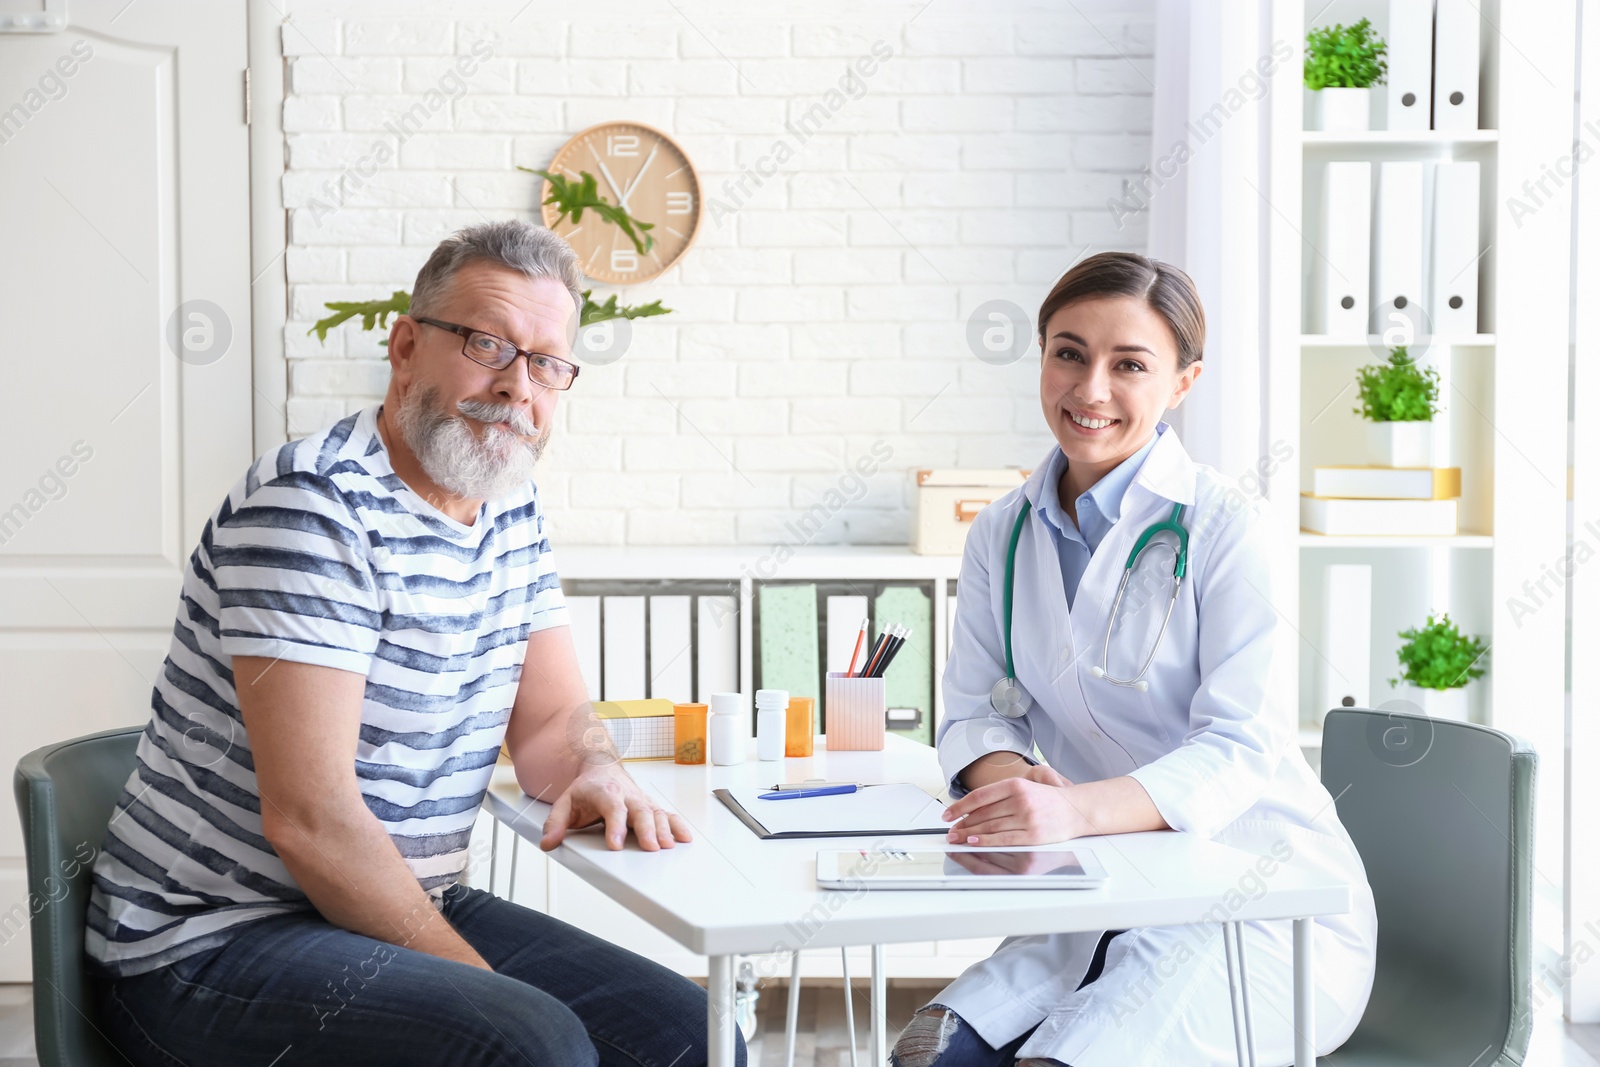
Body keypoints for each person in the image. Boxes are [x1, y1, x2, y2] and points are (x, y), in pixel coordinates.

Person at [85, 220, 746, 1067]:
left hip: (393, 903)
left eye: (547, 363)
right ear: (405, 346)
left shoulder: (510, 505)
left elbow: (549, 726)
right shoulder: (313, 511)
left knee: (689, 1035)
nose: (518, 387)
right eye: (487, 344)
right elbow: (312, 821)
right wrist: (489, 993)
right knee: (528, 1045)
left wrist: (597, 767)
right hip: (208, 945)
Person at [890, 252, 1376, 1067]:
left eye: (1130, 365)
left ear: (1182, 382)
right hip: (1104, 885)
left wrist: (1077, 810)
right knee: (931, 1054)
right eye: (1069, 352)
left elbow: (1241, 744)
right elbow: (978, 711)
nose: (1090, 391)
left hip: (1259, 897)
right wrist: (1015, 783)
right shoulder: (999, 532)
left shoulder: (1225, 526)